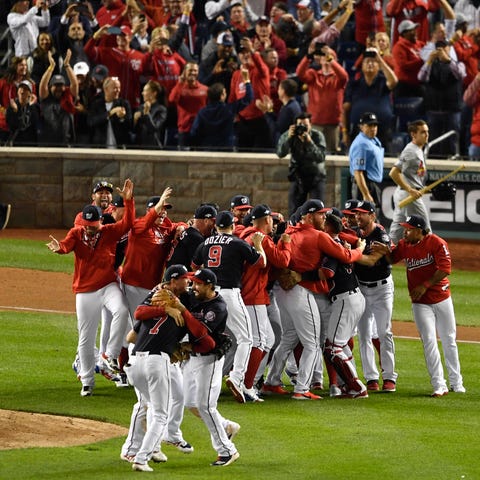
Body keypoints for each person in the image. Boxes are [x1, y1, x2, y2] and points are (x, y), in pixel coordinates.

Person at [261, 199, 366, 400]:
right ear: (309, 216)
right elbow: (345, 256)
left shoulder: (291, 231)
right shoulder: (317, 236)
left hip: (283, 292)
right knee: (312, 343)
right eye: (320, 214)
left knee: (289, 338)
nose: (324, 217)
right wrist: (359, 249)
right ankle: (302, 389)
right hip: (301, 291)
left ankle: (271, 381)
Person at [46, 179, 135, 397]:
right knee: (85, 337)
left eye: (94, 228)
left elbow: (128, 223)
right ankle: (87, 380)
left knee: (121, 310)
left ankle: (109, 356)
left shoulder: (109, 231)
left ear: (100, 224)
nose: (91, 231)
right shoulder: (77, 232)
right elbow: (67, 244)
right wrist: (59, 248)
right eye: (88, 228)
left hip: (107, 284)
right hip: (85, 291)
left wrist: (129, 201)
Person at [125, 272, 216, 472]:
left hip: (134, 363)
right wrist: (177, 312)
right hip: (157, 362)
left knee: (149, 405)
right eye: (186, 280)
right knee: (160, 415)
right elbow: (206, 340)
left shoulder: (153, 305)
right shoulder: (182, 314)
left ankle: (139, 448)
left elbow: (132, 333)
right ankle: (142, 458)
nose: (190, 283)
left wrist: (162, 308)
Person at [379, 215, 465, 396]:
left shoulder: (437, 243)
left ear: (419, 230)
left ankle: (456, 382)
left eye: (408, 229)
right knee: (429, 341)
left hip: (442, 298)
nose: (405, 231)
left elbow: (445, 269)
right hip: (420, 304)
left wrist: (425, 285)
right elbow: (391, 259)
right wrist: (384, 251)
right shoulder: (404, 245)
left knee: (449, 340)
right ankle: (439, 385)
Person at [191, 210, 267, 404]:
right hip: (229, 293)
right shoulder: (237, 243)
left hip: (208, 294)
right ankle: (237, 377)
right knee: (246, 339)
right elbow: (261, 263)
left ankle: (193, 381)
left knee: (208, 337)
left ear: (216, 226)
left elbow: (194, 266)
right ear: (232, 226)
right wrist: (258, 245)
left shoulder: (204, 243)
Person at [183, 268, 241, 467]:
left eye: (198, 284)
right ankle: (226, 426)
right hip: (191, 358)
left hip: (210, 361)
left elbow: (200, 332)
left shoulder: (218, 307)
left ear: (210, 286)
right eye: (193, 282)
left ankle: (227, 451)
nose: (194, 286)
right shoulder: (192, 296)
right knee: (189, 402)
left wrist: (181, 311)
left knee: (206, 406)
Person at [239, 204, 292, 401]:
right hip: (252, 295)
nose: (274, 224)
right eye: (272, 220)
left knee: (266, 340)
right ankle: (245, 384)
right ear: (266, 219)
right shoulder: (260, 239)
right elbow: (282, 260)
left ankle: (248, 381)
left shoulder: (245, 234)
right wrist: (286, 242)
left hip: (248, 294)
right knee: (260, 341)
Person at [352, 200, 398, 392]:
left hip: (382, 290)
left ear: (372, 216)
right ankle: (371, 378)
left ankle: (389, 377)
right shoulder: (355, 233)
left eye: (362, 213)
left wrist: (350, 254)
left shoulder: (381, 235)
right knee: (363, 334)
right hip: (362, 289)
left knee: (384, 331)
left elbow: (371, 261)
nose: (358, 217)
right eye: (357, 214)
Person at [321, 213, 367, 398]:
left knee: (333, 347)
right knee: (341, 346)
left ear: (327, 229)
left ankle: (356, 387)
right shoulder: (341, 244)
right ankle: (351, 384)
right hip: (354, 298)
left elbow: (327, 272)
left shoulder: (334, 246)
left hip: (344, 300)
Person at [296, 42, 348, 153]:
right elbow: (299, 73)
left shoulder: (337, 78)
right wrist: (308, 56)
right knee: (313, 152)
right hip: (315, 122)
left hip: (333, 123)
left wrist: (330, 58)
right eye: (324, 55)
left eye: (329, 56)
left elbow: (344, 76)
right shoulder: (313, 75)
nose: (326, 57)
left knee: (332, 153)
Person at [418, 40, 466, 157]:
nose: (442, 52)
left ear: (449, 49)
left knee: (452, 141)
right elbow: (421, 77)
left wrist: (448, 61)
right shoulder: (430, 65)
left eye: (445, 48)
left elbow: (461, 75)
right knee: (433, 140)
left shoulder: (458, 64)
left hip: (452, 110)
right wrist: (429, 61)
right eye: (439, 49)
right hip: (434, 110)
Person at [342, 48, 398, 150]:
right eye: (367, 62)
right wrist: (345, 132)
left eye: (374, 62)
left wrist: (380, 59)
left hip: (382, 130)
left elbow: (394, 81)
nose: (370, 64)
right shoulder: (354, 84)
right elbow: (345, 109)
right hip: (359, 130)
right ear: (362, 66)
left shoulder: (383, 81)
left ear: (379, 66)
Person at [389, 119, 431, 245]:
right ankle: (429, 262)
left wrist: (421, 187)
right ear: (413, 134)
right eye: (423, 132)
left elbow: (414, 174)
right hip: (409, 197)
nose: (427, 135)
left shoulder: (418, 149)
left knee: (395, 233)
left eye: (427, 132)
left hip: (405, 194)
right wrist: (411, 190)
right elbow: (394, 172)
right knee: (425, 230)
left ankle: (382, 257)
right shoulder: (411, 151)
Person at [84, 24, 145, 109]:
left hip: (133, 102)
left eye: (123, 35)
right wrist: (96, 36)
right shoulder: (108, 52)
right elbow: (87, 51)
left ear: (130, 38)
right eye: (118, 35)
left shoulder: (140, 56)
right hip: (112, 101)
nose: (120, 37)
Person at [190, 68, 253, 150]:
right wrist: (247, 81)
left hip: (207, 149)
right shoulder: (229, 110)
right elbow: (248, 98)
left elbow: (194, 132)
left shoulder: (202, 113)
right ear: (222, 95)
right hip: (226, 150)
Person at [277, 112, 326, 215]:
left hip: (316, 176)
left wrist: (309, 142)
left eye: (306, 125)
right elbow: (281, 153)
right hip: (298, 176)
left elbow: (321, 157)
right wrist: (288, 138)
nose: (303, 128)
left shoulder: (317, 136)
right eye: (300, 125)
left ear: (311, 125)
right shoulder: (290, 134)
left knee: (317, 210)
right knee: (295, 211)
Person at [39, 50, 79, 146]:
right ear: (50, 87)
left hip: (66, 141)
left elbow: (75, 84)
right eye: (56, 85)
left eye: (61, 85)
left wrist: (67, 65)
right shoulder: (46, 99)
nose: (59, 88)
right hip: (47, 142)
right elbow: (42, 85)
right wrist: (51, 68)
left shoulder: (68, 97)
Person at [168, 62, 208, 150]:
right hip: (185, 129)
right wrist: (180, 83)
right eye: (190, 70)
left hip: (200, 129)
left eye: (195, 70)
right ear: (185, 72)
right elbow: (171, 100)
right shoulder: (179, 88)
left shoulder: (205, 89)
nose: (193, 73)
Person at [348, 112, 384, 207]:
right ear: (361, 126)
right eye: (369, 125)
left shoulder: (372, 140)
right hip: (365, 186)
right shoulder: (361, 144)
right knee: (365, 219)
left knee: (373, 219)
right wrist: (366, 194)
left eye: (375, 125)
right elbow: (358, 172)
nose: (373, 128)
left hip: (372, 184)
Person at [167, 204, 217, 269]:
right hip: (181, 276)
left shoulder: (189, 232)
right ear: (206, 221)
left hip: (174, 274)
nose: (215, 225)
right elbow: (196, 267)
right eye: (213, 221)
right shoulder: (196, 237)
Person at [88, 76, 133, 148]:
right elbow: (91, 122)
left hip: (120, 146)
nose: (118, 90)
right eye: (115, 88)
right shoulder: (96, 104)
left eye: (119, 88)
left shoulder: (124, 104)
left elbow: (130, 126)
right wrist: (109, 113)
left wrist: (122, 118)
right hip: (100, 146)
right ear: (106, 89)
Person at [391, 20, 425, 98]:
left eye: (415, 29)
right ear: (404, 33)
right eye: (411, 30)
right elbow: (404, 65)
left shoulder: (420, 44)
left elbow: (429, 50)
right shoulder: (399, 47)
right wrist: (422, 60)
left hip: (418, 83)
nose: (415, 32)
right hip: (404, 86)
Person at [133, 80, 168, 147]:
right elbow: (135, 130)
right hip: (138, 146)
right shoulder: (140, 108)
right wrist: (135, 120)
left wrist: (147, 113)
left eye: (145, 91)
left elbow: (154, 128)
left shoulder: (161, 109)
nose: (142, 93)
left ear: (154, 93)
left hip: (153, 146)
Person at [5, 79, 40, 146]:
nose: (22, 91)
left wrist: (30, 106)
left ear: (30, 94)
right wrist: (16, 111)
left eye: (26, 89)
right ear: (17, 91)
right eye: (21, 88)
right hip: (14, 142)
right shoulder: (12, 106)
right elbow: (11, 125)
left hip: (30, 143)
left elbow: (34, 123)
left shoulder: (34, 107)